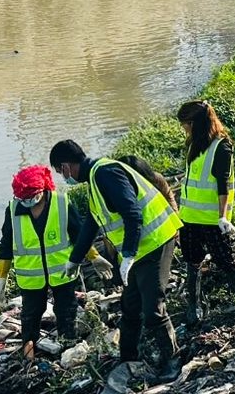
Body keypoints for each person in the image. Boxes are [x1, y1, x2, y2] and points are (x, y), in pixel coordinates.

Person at [50, 140, 184, 379]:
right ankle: (127, 361)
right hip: (140, 249)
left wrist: (128, 254)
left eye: (61, 172)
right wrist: (74, 259)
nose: (63, 178)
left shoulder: (106, 173)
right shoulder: (94, 180)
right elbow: (91, 224)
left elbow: (132, 214)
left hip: (157, 241)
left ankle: (172, 360)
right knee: (130, 308)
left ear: (66, 166)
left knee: (153, 308)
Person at [0, 165, 112, 356]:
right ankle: (28, 353)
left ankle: (69, 347)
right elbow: (6, 243)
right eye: (22, 198)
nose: (28, 202)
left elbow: (78, 235)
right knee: (31, 314)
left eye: (31, 197)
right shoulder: (14, 209)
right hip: (31, 277)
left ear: (43, 190)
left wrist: (94, 257)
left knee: (67, 310)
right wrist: (2, 276)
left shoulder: (61, 203)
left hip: (63, 271)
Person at [176, 100, 235, 328]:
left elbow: (222, 184)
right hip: (189, 216)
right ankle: (194, 306)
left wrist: (222, 217)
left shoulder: (222, 146)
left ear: (196, 123)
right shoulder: (193, 144)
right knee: (192, 260)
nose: (184, 128)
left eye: (186, 124)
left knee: (224, 259)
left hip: (211, 219)